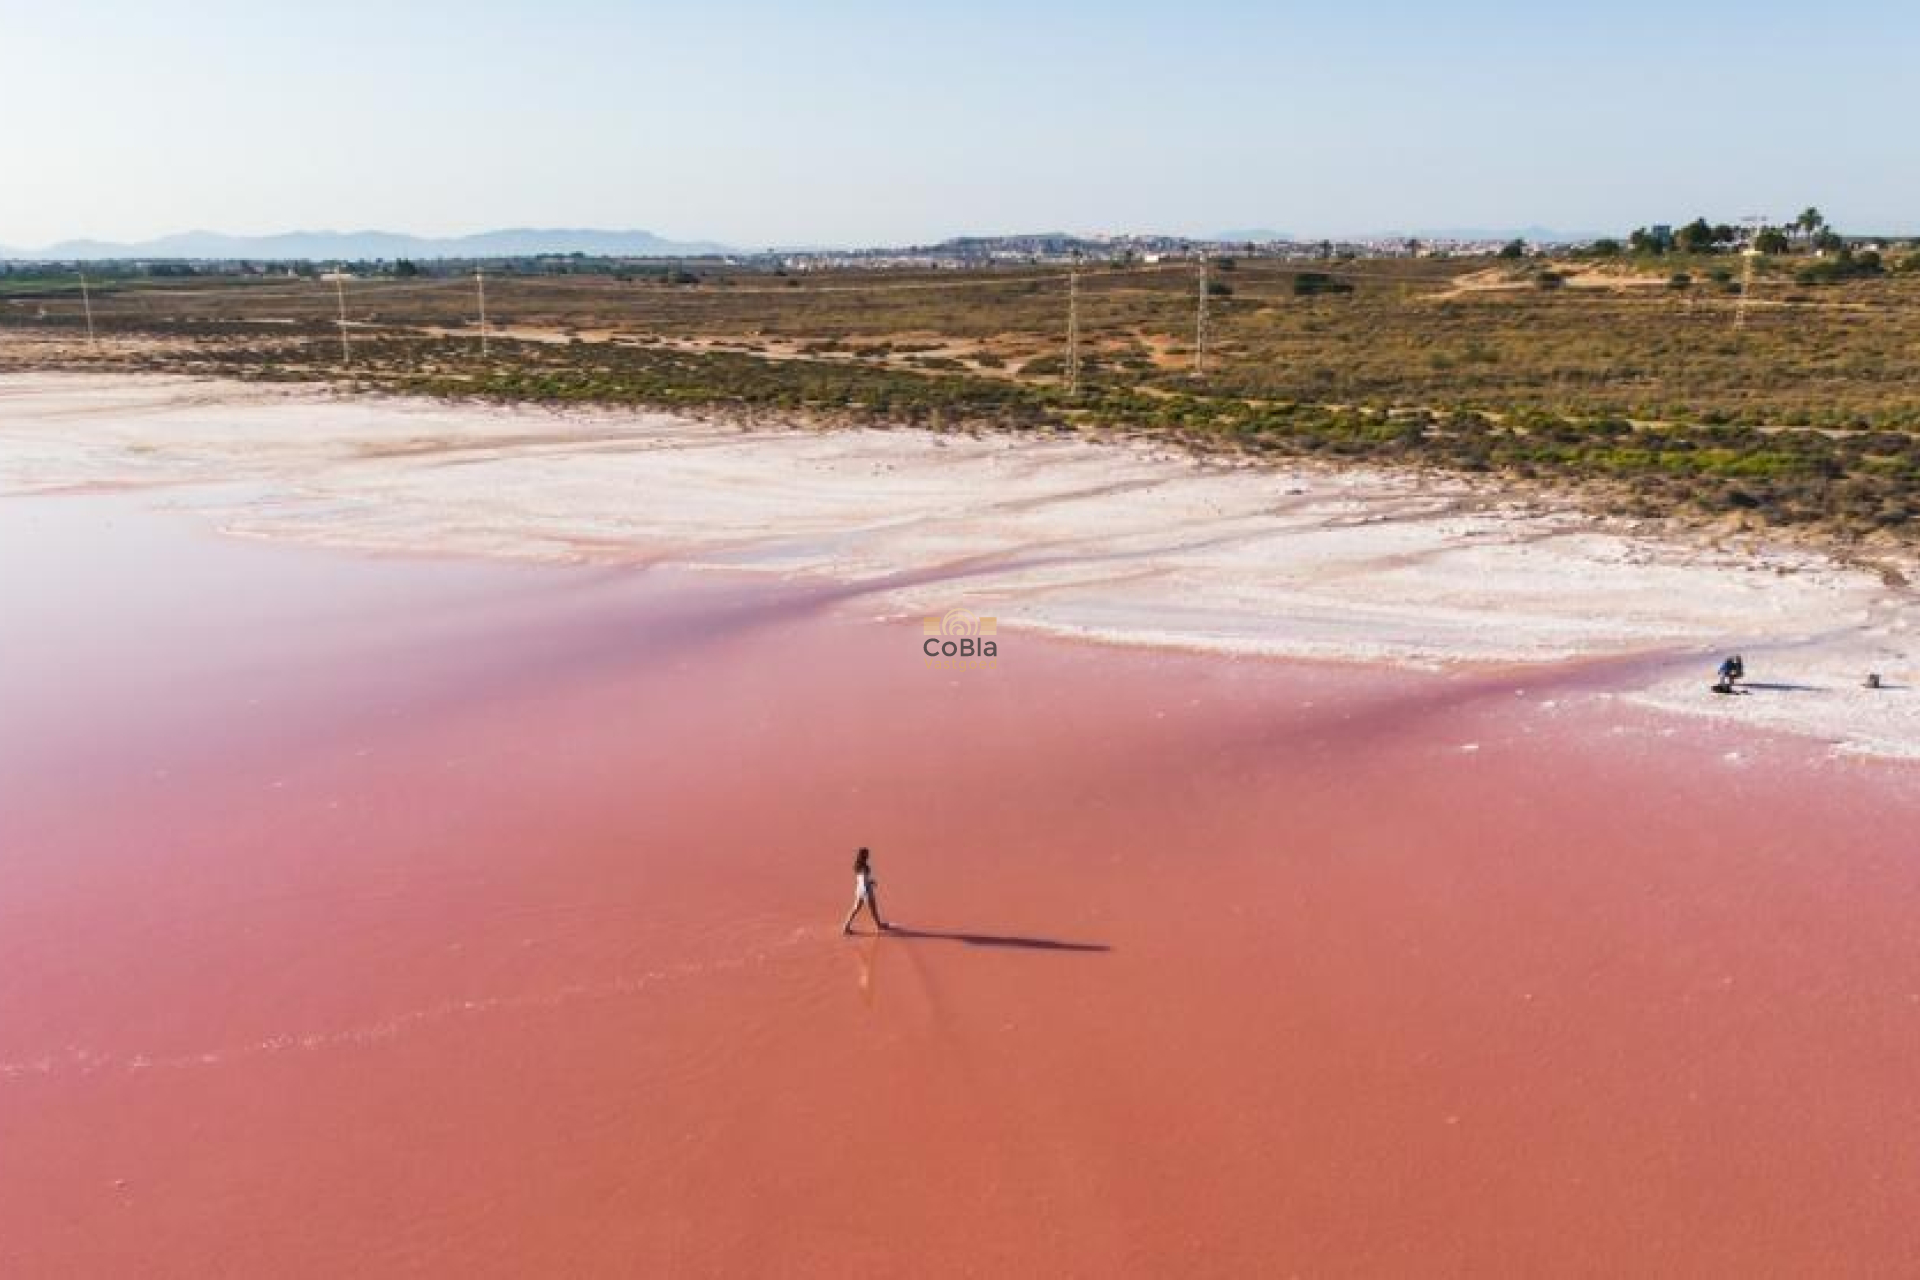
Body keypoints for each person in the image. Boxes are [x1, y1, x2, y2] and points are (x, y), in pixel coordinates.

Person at [842, 847, 891, 935]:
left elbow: (862, 879)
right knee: (874, 910)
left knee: (855, 909)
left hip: (858, 890)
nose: (869, 856)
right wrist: (868, 890)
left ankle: (846, 926)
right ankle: (879, 925)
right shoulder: (865, 867)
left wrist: (870, 881)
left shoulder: (857, 866)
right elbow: (864, 880)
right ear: (865, 856)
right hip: (866, 891)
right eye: (867, 854)